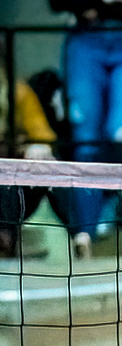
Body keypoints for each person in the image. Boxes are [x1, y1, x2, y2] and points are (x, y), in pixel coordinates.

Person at [49, 0, 122, 259]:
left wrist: (105, 5)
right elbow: (56, 3)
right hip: (85, 38)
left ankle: (112, 197)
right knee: (85, 144)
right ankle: (84, 236)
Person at [0, 66, 61, 258]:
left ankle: (82, 236)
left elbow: (44, 137)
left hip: (15, 189)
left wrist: (35, 146)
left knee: (50, 167)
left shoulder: (19, 92)